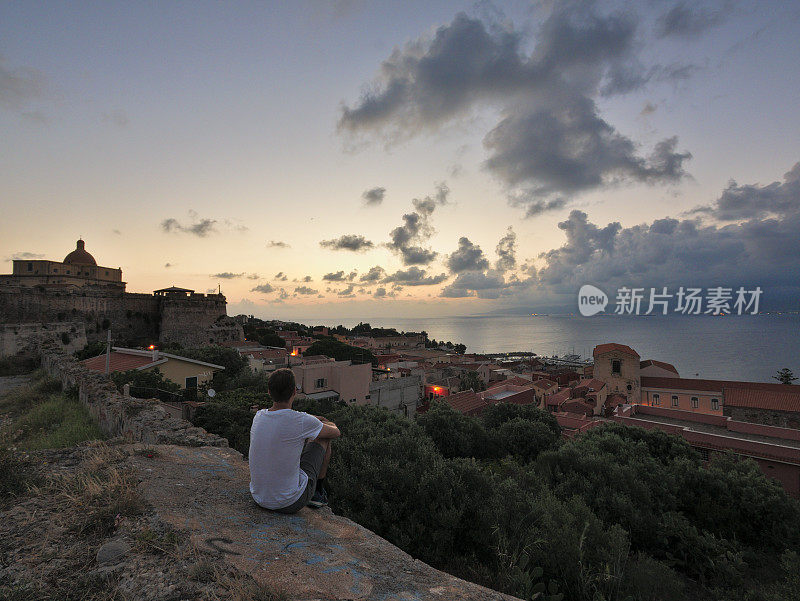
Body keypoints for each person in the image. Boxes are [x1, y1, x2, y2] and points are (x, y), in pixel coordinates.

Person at [248, 368, 340, 513]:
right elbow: (336, 433)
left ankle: (313, 491)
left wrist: (313, 420)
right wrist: (327, 422)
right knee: (324, 438)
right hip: (288, 502)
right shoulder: (301, 421)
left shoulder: (259, 416)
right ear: (294, 392)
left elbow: (289, 418)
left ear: (269, 392)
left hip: (259, 497)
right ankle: (317, 493)